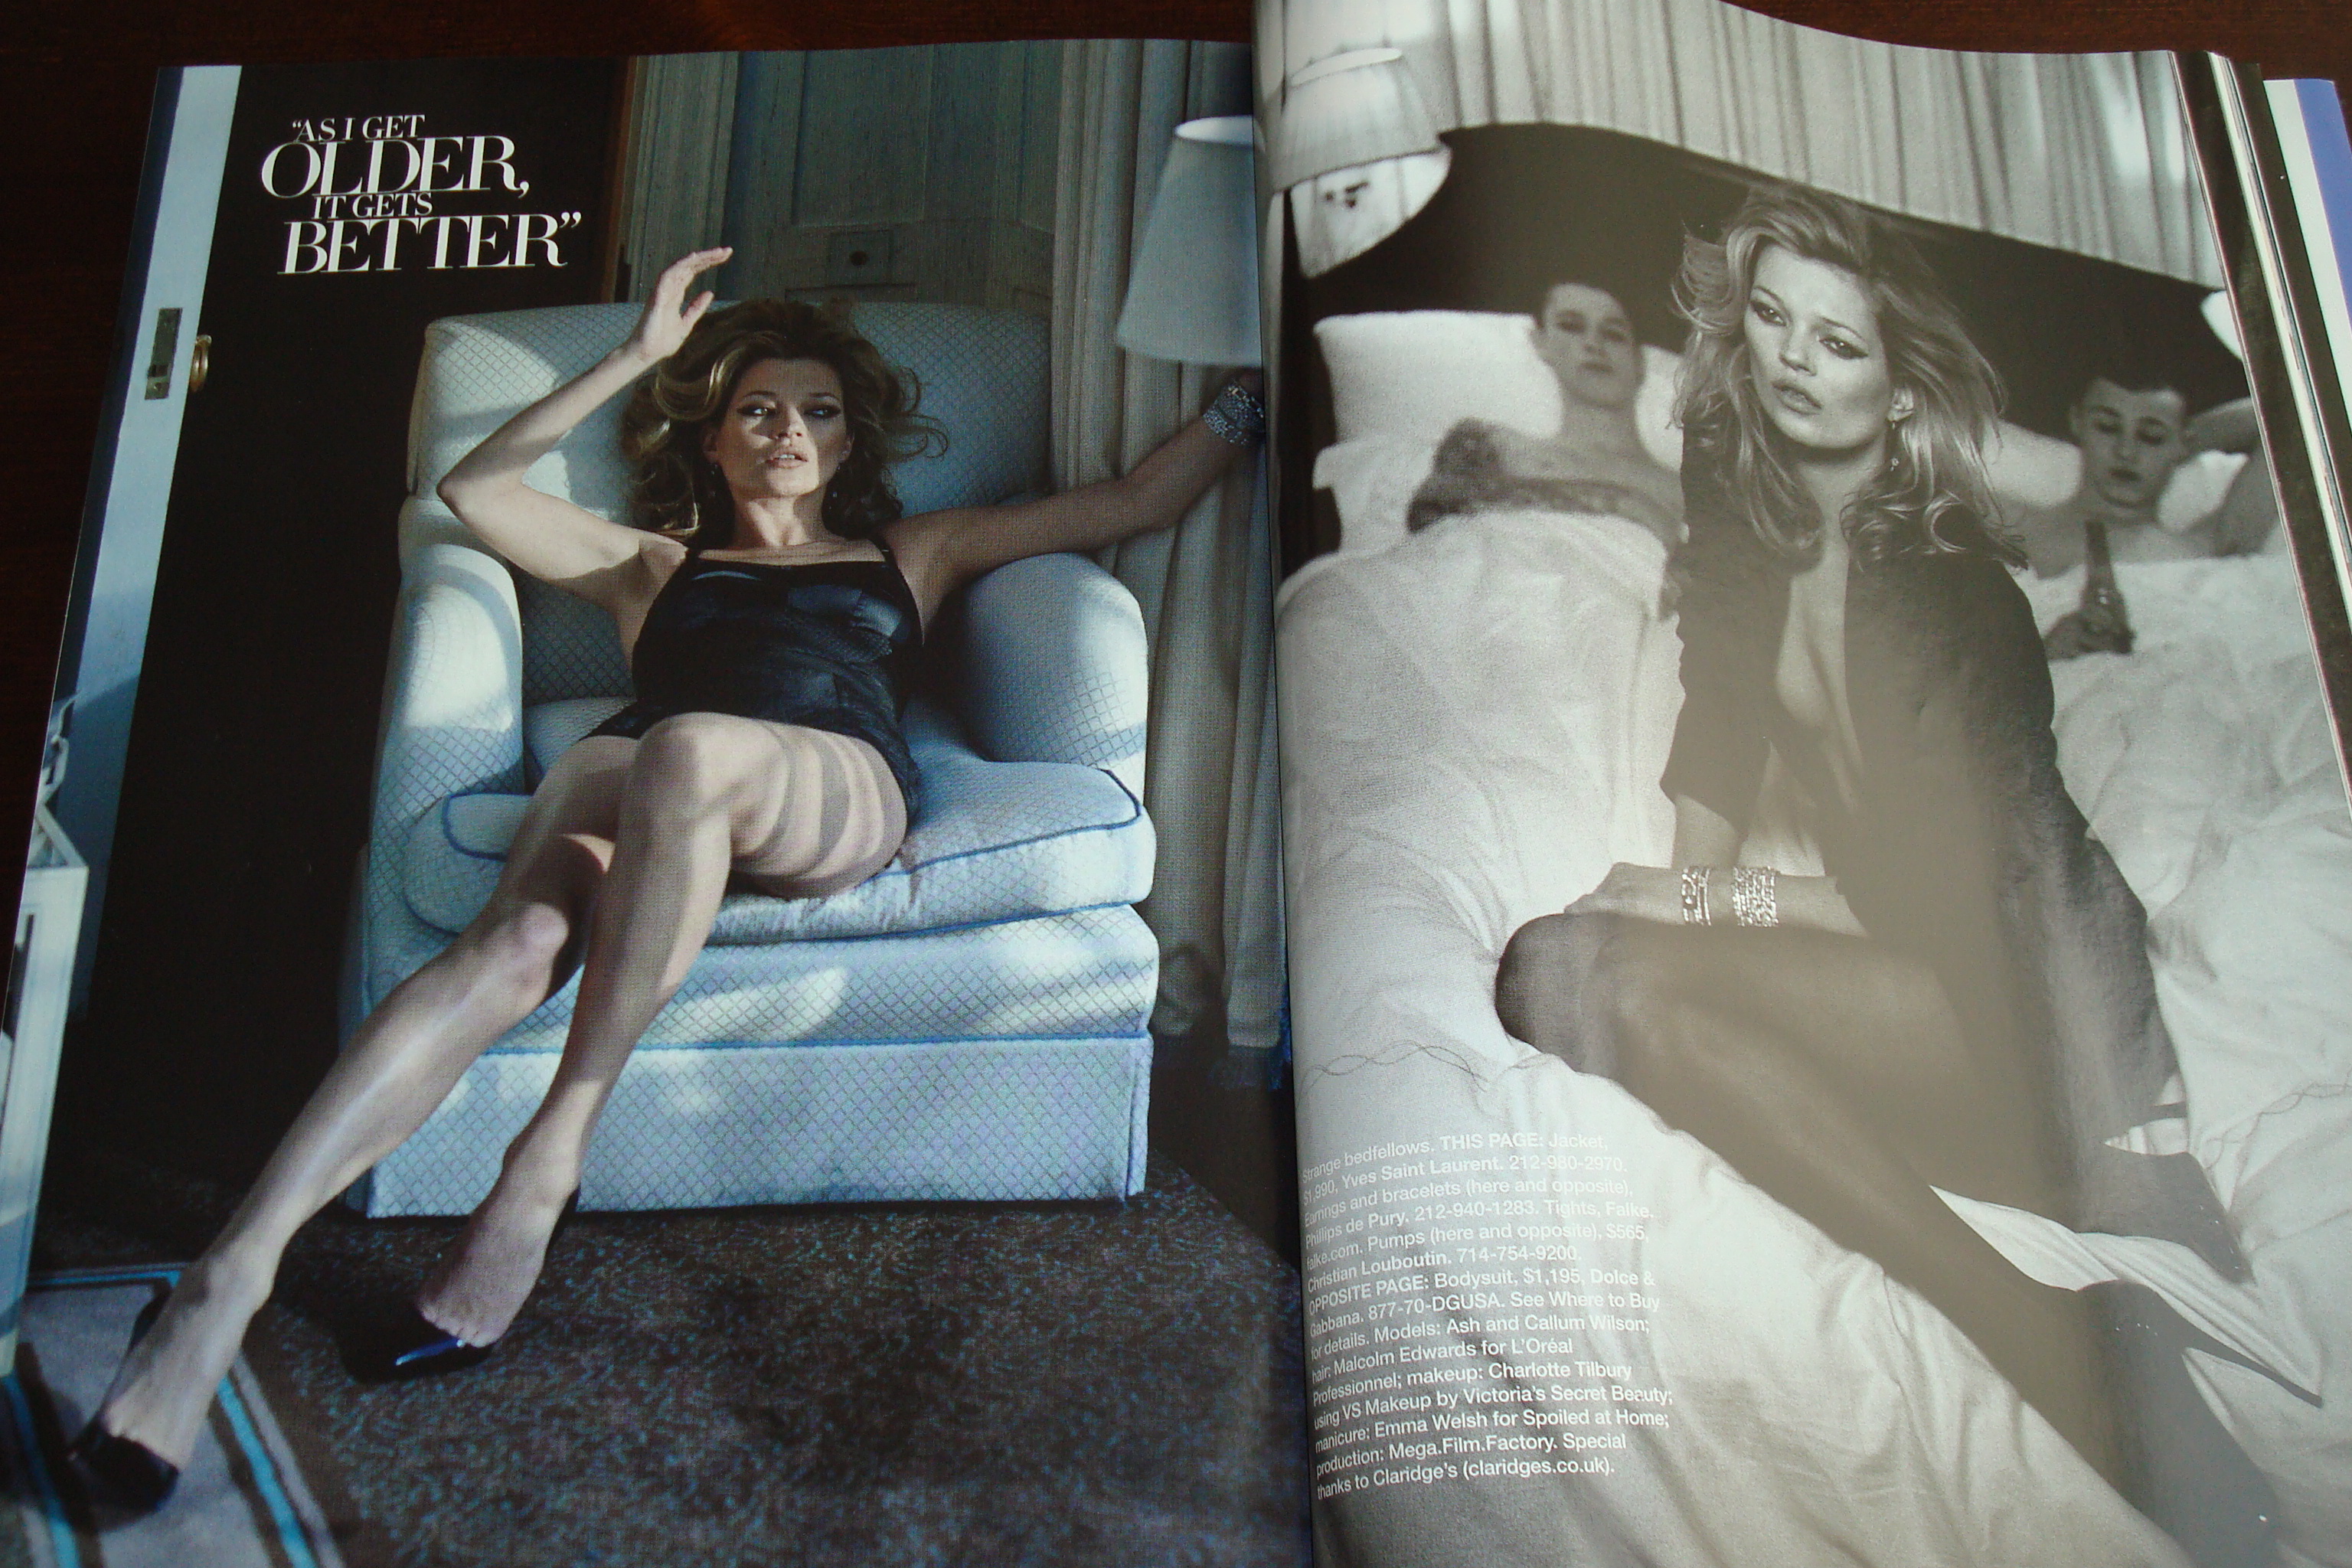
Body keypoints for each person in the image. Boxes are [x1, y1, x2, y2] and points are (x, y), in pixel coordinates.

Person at [70, 247, 1265, 1511]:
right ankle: (229, 1277)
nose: (788, 430)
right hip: (643, 762)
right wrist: (636, 355)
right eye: (758, 409)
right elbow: (475, 487)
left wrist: (1254, 396)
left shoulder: (914, 549)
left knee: (690, 747)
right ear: (712, 439)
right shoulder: (652, 565)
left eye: (816, 411)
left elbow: (1137, 499)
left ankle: (549, 1154)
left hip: (829, 775)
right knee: (512, 944)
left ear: (848, 441)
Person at [1492, 189, 2288, 1563]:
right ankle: (2062, 1315)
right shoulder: (1748, 515)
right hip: (1896, 973)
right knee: (1556, 970)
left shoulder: (1957, 592)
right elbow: (1722, 711)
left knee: (1589, 965)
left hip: (2016, 998)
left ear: (1903, 386)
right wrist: (1685, 897)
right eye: (1773, 321)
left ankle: (2033, 1329)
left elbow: (1960, 888)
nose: (1794, 361)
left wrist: (1699, 907)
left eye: (1840, 343)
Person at [1404, 281, 1682, 549]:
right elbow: (1429, 519)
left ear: (1639, 362)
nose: (1593, 344)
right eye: (1571, 327)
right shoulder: (1496, 447)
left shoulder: (1682, 489)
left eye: (1613, 334)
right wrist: (1625, 505)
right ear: (1540, 342)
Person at [2020, 374, 2279, 658]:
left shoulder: (2201, 547)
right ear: (2077, 422)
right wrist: (2040, 652)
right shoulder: (2012, 525)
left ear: (2185, 442)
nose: (2126, 452)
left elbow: (2287, 417)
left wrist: (2180, 443)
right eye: (2107, 427)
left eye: (2151, 437)